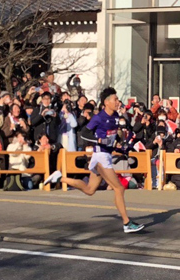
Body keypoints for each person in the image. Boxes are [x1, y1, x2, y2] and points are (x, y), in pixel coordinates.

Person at [47, 87, 145, 233]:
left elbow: (116, 136)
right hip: (100, 157)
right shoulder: (98, 117)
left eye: (117, 99)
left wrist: (119, 143)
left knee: (90, 190)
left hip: (105, 156)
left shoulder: (116, 118)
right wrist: (99, 139)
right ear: (106, 102)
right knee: (118, 188)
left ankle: (60, 178)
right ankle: (127, 223)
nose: (118, 102)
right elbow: (85, 133)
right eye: (115, 99)